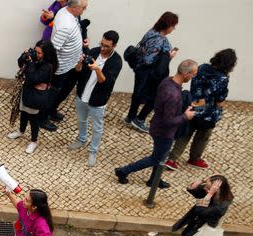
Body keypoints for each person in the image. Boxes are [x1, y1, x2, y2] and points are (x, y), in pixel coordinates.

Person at [114, 60, 198, 188]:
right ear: (186, 74)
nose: (193, 77)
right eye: (193, 74)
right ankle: (123, 171)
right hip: (164, 132)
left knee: (160, 156)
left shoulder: (167, 81)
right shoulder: (173, 95)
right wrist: (185, 116)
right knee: (156, 158)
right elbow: (168, 121)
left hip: (157, 125)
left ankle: (154, 179)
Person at [165, 49, 237, 171]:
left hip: (194, 104)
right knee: (203, 136)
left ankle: (171, 159)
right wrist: (219, 107)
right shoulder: (223, 78)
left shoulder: (202, 67)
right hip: (209, 111)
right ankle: (194, 159)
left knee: (186, 132)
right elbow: (220, 99)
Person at [69, 30, 122, 167]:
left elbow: (104, 82)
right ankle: (82, 139)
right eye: (102, 44)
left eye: (107, 46)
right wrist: (80, 63)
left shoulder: (116, 61)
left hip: (98, 100)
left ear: (114, 46)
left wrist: (98, 69)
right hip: (83, 95)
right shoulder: (93, 51)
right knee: (81, 120)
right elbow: (78, 72)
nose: (103, 48)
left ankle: (93, 151)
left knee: (97, 128)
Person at [125, 12, 179, 133]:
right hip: (149, 74)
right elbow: (149, 60)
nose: (174, 29)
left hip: (140, 70)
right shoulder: (158, 40)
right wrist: (168, 57)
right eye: (173, 26)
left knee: (137, 93)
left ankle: (130, 117)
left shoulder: (152, 31)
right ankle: (139, 120)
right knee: (155, 97)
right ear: (168, 25)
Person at [7, 41, 58, 155]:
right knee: (24, 112)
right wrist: (24, 56)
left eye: (39, 53)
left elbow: (33, 78)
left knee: (33, 119)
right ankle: (21, 131)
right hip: (27, 92)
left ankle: (34, 141)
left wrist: (30, 62)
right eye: (35, 51)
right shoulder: (36, 59)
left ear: (46, 53)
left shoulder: (47, 66)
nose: (36, 54)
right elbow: (21, 64)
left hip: (35, 96)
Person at [47, 0, 89, 126]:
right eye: (84, 7)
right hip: (61, 68)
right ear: (75, 7)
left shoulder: (69, 13)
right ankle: (43, 117)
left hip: (71, 64)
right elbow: (54, 48)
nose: (85, 10)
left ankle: (52, 110)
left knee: (63, 91)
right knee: (54, 92)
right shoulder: (66, 24)